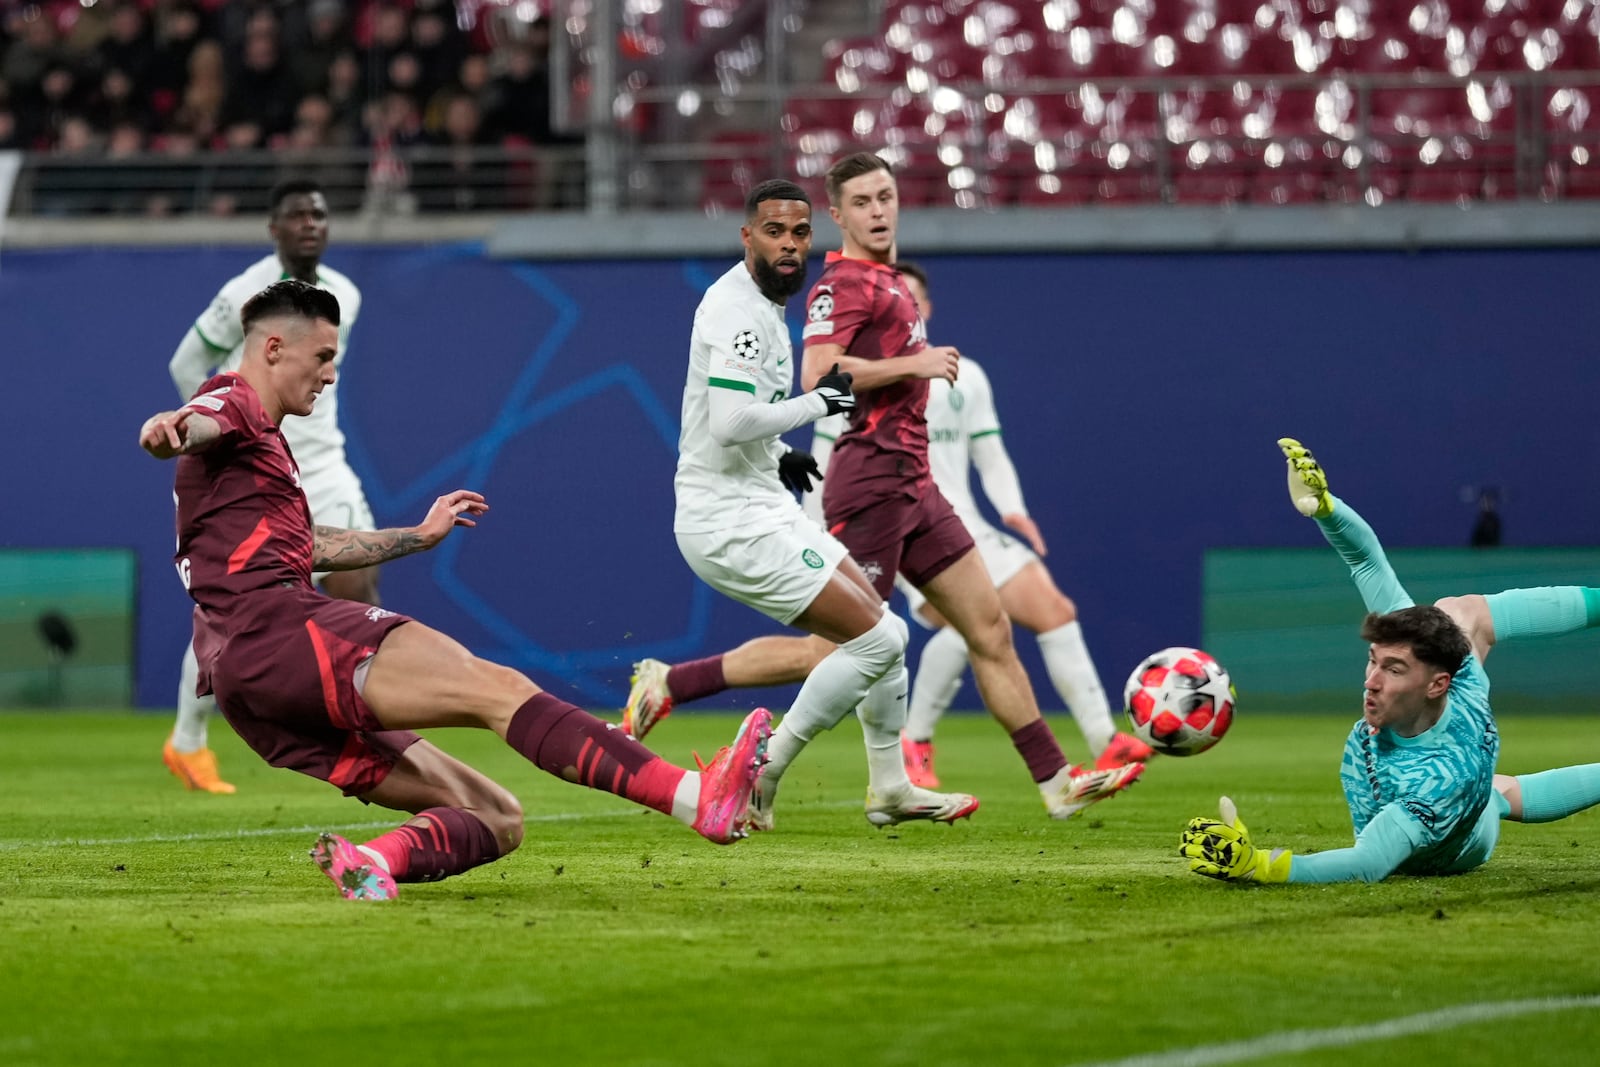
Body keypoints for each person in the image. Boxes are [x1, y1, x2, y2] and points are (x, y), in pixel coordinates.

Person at [139, 280, 772, 901]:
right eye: (323, 357)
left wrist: (414, 536)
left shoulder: (261, 444)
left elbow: (304, 543)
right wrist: (170, 427)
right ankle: (695, 798)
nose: (330, 375)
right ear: (274, 348)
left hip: (246, 684)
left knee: (497, 816)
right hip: (276, 630)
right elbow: (197, 423)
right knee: (500, 692)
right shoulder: (234, 401)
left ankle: (371, 862)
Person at [622, 262, 1151, 789]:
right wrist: (811, 512)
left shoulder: (959, 375)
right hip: (865, 508)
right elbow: (820, 423)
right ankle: (860, 748)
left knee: (1027, 615)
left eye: (913, 304)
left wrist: (1013, 509)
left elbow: (990, 455)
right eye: (896, 305)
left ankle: (1081, 758)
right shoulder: (856, 371)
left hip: (935, 507)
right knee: (844, 649)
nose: (905, 314)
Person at [801, 151, 1142, 819]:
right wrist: (914, 362)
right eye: (863, 202)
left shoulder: (896, 283)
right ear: (837, 215)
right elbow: (816, 375)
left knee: (989, 627)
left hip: (918, 486)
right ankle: (734, 735)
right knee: (839, 648)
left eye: (886, 196)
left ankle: (1057, 783)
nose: (878, 210)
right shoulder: (839, 286)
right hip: (869, 487)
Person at [662, 177, 976, 831]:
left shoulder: (767, 306)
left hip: (759, 498)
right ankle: (761, 773)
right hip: (726, 519)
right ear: (746, 236)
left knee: (885, 633)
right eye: (773, 231)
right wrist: (818, 404)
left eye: (799, 233)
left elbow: (742, 420)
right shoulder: (736, 311)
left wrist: (782, 454)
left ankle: (890, 787)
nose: (788, 244)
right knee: (875, 638)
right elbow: (726, 421)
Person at [1178, 439, 1600, 884]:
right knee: (1460, 614)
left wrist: (1261, 864)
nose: (1371, 681)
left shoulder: (1437, 782)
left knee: (1491, 797)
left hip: (1448, 847)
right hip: (1461, 774)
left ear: (1438, 684)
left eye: (1393, 669)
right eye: (1372, 661)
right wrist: (1325, 507)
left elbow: (1368, 863)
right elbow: (1365, 560)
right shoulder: (1458, 673)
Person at [163, 178, 373, 794]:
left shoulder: (347, 295)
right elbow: (183, 364)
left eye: (320, 214)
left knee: (358, 590)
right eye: (297, 215)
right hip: (259, 470)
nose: (311, 224)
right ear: (273, 228)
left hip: (325, 467)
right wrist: (214, 437)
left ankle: (355, 720)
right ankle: (188, 741)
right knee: (238, 609)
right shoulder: (242, 294)